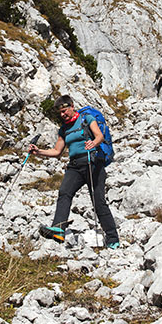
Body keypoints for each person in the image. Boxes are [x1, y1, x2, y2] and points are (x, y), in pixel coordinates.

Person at [29, 94, 120, 249]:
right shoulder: (64, 129)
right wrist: (39, 152)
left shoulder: (87, 119)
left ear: (72, 106)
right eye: (60, 113)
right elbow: (57, 151)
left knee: (98, 202)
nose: (63, 115)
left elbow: (99, 136)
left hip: (93, 163)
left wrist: (93, 143)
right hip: (75, 166)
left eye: (65, 111)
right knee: (64, 192)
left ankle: (112, 238)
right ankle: (58, 228)